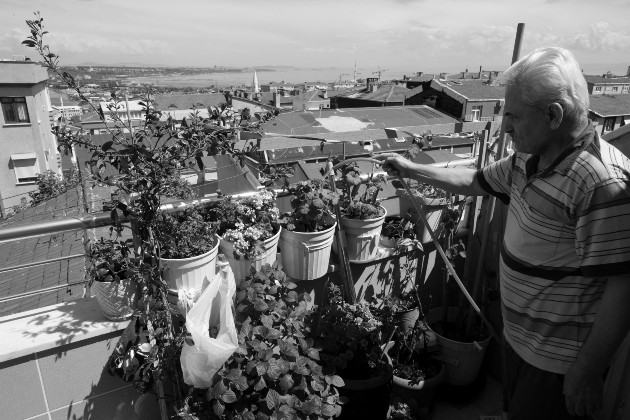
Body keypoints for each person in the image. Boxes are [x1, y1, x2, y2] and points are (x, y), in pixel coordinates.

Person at [374, 46, 630, 419]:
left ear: (554, 115)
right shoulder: (530, 157)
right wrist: (412, 169)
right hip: (519, 340)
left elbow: (623, 291)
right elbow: (476, 180)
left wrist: (585, 373)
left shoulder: (600, 183)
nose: (505, 127)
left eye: (512, 117)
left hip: (557, 362)